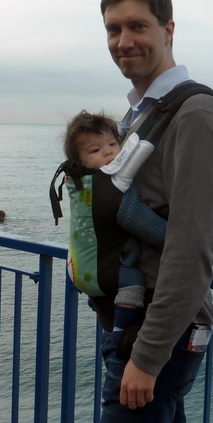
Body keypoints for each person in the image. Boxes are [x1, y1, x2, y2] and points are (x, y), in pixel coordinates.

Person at [82, 0, 213, 423]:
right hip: (139, 328)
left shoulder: (193, 114)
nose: (124, 40)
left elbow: (193, 248)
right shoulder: (140, 114)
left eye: (137, 26)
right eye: (113, 29)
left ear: (168, 30)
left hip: (158, 338)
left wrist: (146, 358)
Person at [62, 109, 163, 331]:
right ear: (79, 162)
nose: (108, 153)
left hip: (79, 267)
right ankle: (120, 333)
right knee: (134, 283)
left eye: (112, 144)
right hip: (106, 273)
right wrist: (171, 238)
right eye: (96, 150)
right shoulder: (110, 187)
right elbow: (134, 217)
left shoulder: (81, 184)